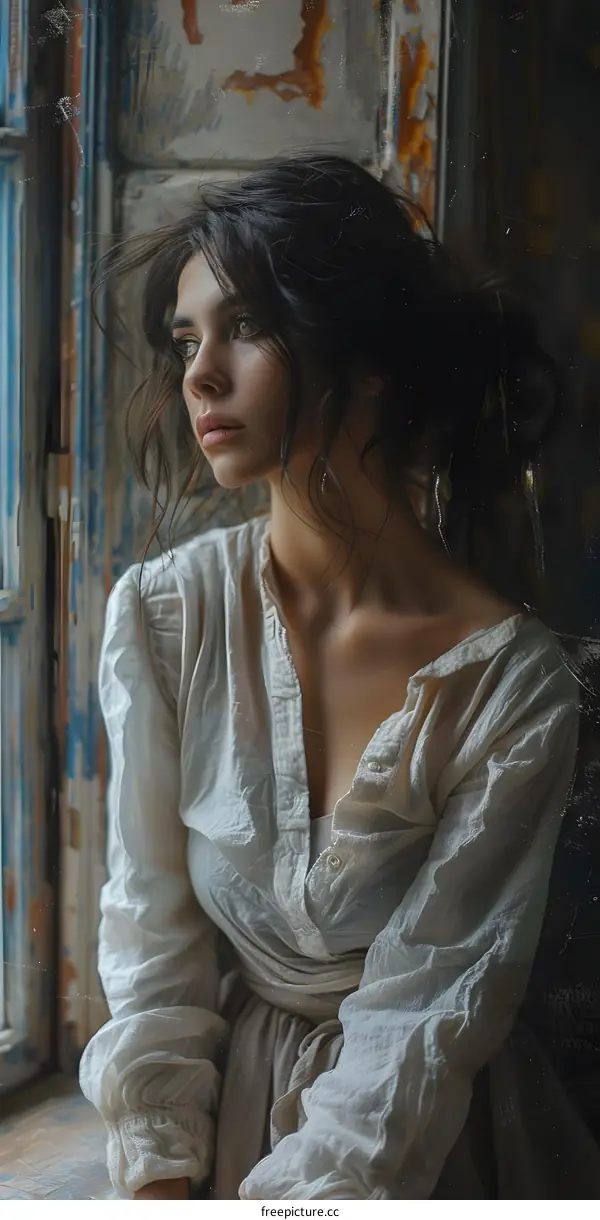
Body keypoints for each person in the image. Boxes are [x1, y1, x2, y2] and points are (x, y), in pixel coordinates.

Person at [79, 155, 597, 1200]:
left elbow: (425, 1011)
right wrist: (160, 1174)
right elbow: (151, 938)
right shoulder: (168, 615)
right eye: (186, 340)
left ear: (368, 359)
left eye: (245, 327)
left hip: (423, 1145)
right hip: (223, 1125)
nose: (200, 376)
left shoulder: (510, 687)